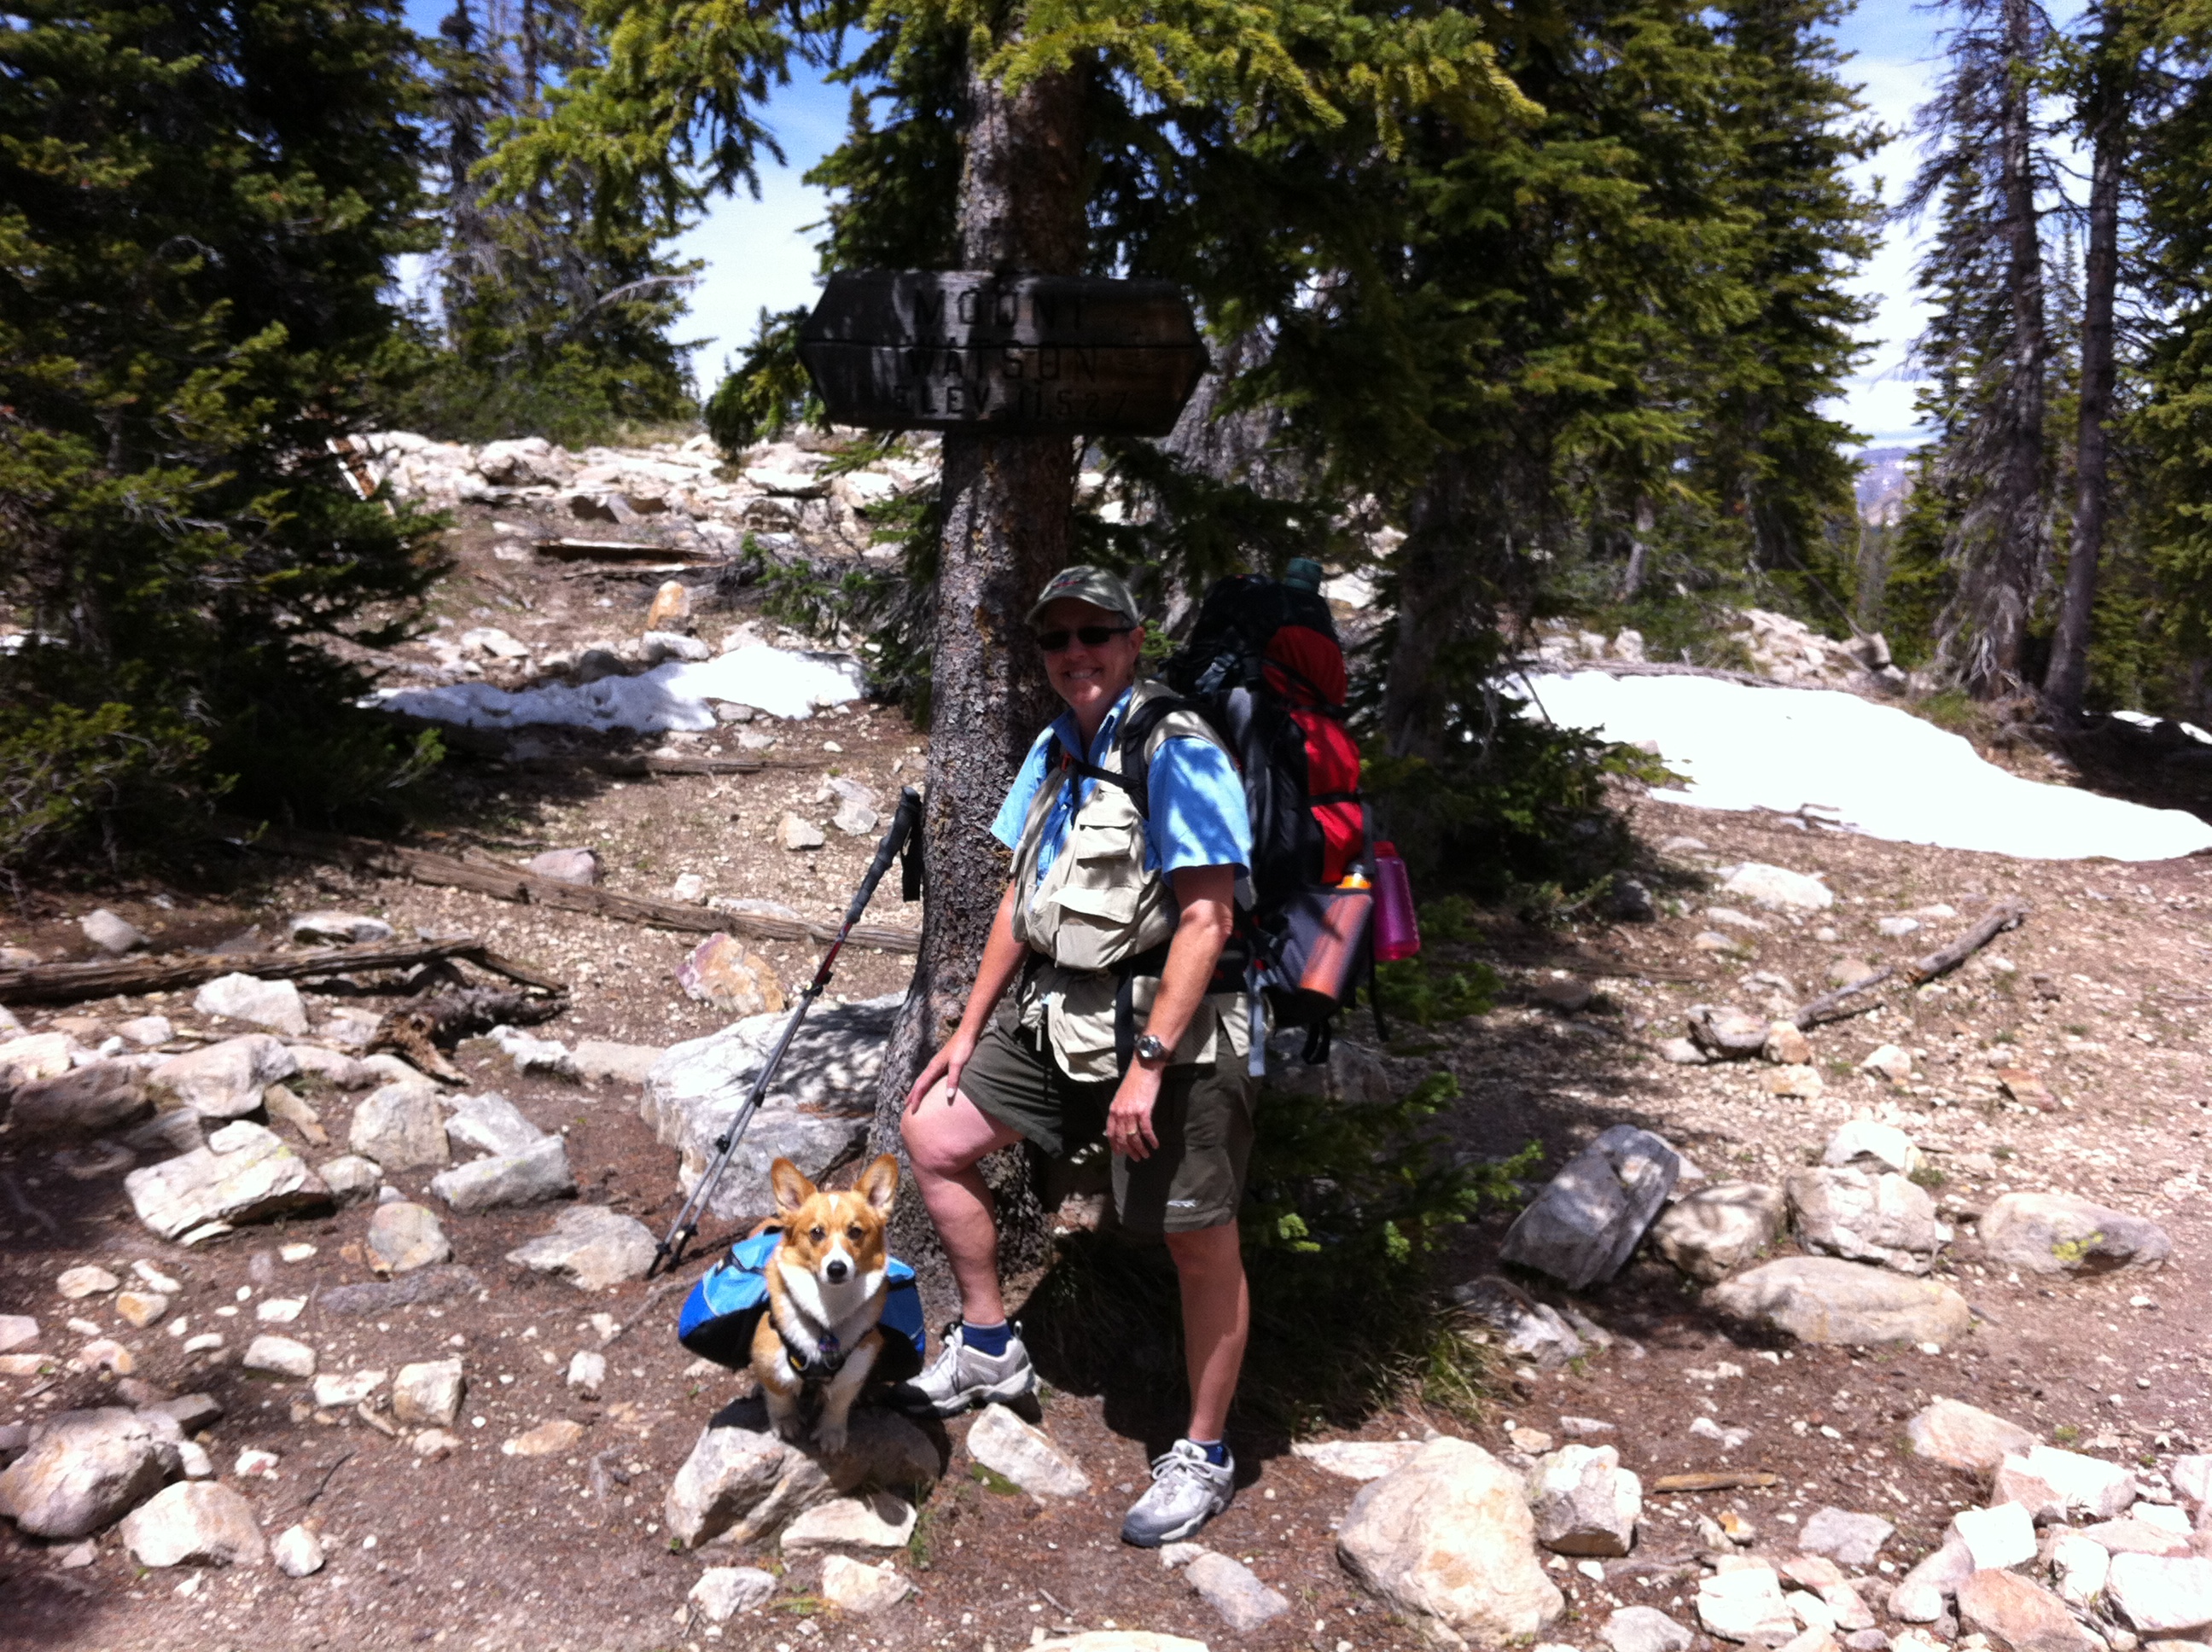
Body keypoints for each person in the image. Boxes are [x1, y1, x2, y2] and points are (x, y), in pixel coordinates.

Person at [897, 564, 1259, 1547]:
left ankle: (1204, 1451)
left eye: (1094, 632)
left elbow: (1208, 917)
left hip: (1172, 1030)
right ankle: (988, 1343)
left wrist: (1149, 1063)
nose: (1075, 653)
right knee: (933, 1133)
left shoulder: (1178, 748)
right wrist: (966, 1030)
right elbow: (1019, 898)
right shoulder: (1057, 745)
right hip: (1059, 1013)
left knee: (1198, 1240)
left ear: (1134, 640)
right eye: (1055, 638)